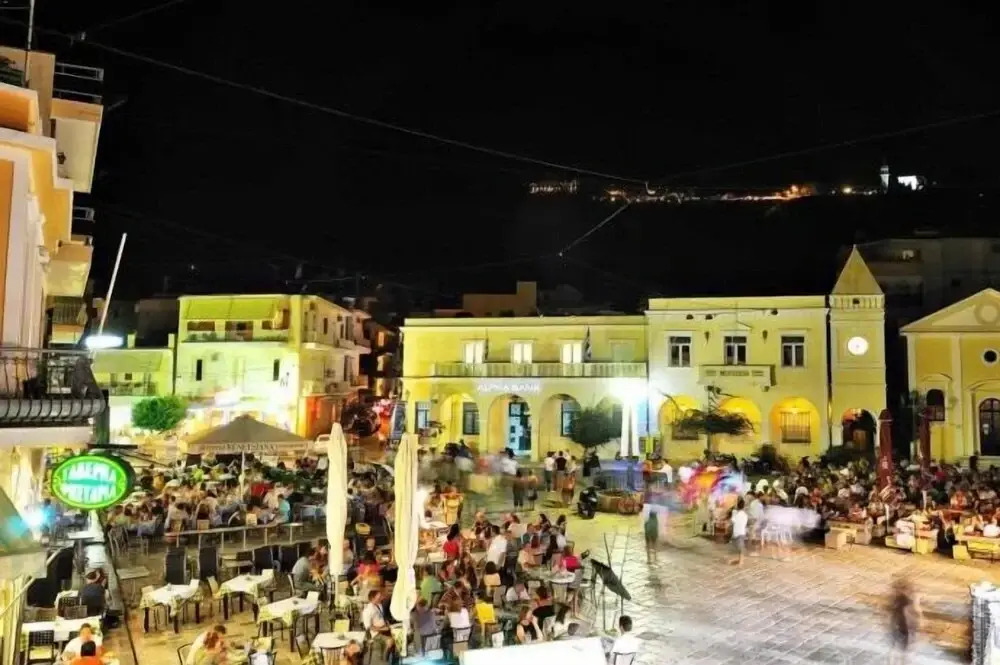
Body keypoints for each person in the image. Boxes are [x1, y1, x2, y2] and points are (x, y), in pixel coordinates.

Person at [890, 576, 921, 664]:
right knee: (903, 649)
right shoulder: (903, 600)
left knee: (899, 648)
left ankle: (899, 661)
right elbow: (914, 613)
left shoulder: (899, 600)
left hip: (900, 626)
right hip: (903, 626)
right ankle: (902, 661)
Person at [730, 496, 748, 566]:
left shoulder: (736, 514)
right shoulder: (745, 515)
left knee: (740, 547)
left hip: (737, 532)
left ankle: (741, 561)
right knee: (739, 547)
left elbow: (732, 521)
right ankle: (740, 560)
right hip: (741, 531)